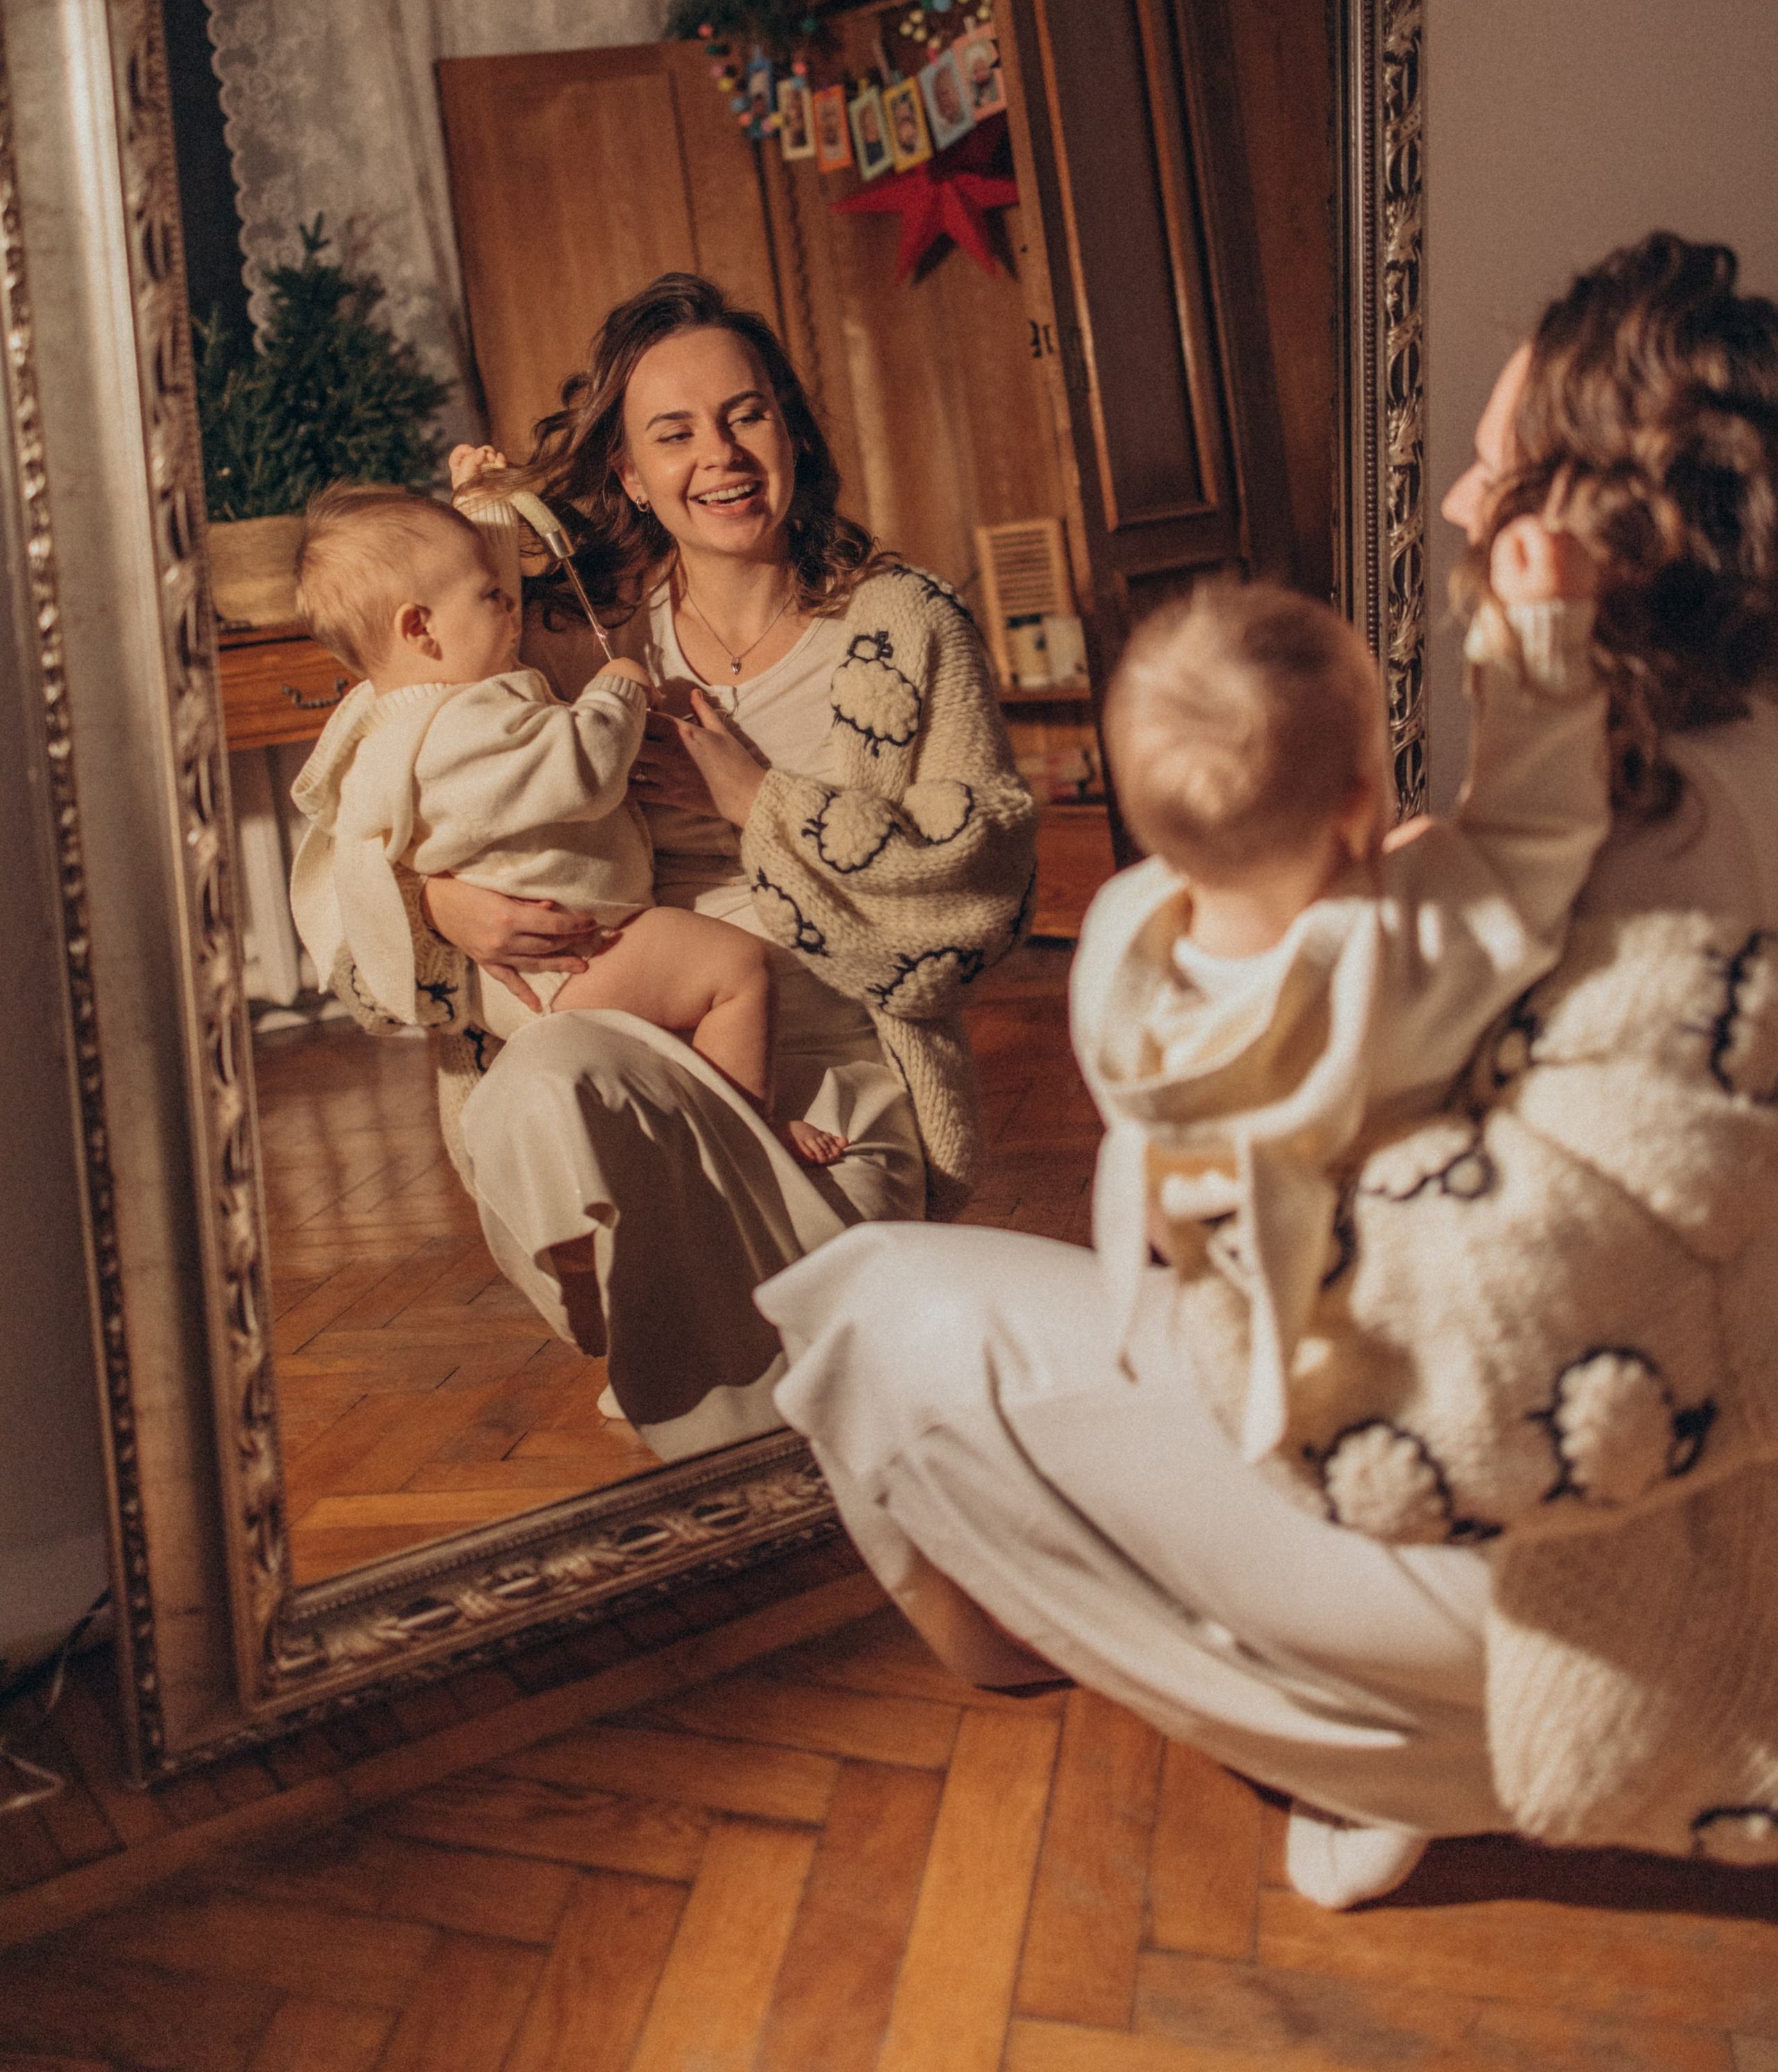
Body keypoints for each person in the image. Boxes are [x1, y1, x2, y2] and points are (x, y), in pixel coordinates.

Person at [761, 232, 1778, 1907]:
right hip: (1570, 1454)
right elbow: (1512, 842)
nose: (1456, 504)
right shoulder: (1628, 797)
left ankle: (1383, 1737)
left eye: (1487, 465)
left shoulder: (1625, 847)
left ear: (1576, 531)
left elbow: (1512, 1307)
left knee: (874, 1309)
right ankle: (1348, 1711)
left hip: (1535, 1518)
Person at [326, 275, 1038, 1461]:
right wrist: (446, 906)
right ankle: (698, 1344)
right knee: (548, 1072)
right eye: (676, 433)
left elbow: (985, 888)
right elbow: (381, 790)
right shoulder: (559, 636)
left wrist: (763, 803)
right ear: (628, 475)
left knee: (788, 1357)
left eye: (747, 416)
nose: (722, 455)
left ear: (792, 431)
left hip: (835, 1087)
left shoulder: (906, 624)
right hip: (630, 1059)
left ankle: (727, 1374)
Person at [1081, 560, 1604, 1468]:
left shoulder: (1118, 944)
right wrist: (1539, 636)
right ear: (1360, 804)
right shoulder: (1406, 944)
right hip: (1389, 1272)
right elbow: (1538, 827)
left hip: (1240, 1254)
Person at [286, 482, 842, 1166]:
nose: (511, 611)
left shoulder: (404, 718)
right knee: (737, 969)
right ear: (419, 627)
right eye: (491, 598)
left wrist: (483, 504)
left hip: (558, 961)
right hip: (565, 962)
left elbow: (468, 586)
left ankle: (712, 1124)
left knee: (685, 1005)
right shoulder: (458, 728)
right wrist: (621, 688)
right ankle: (749, 1135)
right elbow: (582, 767)